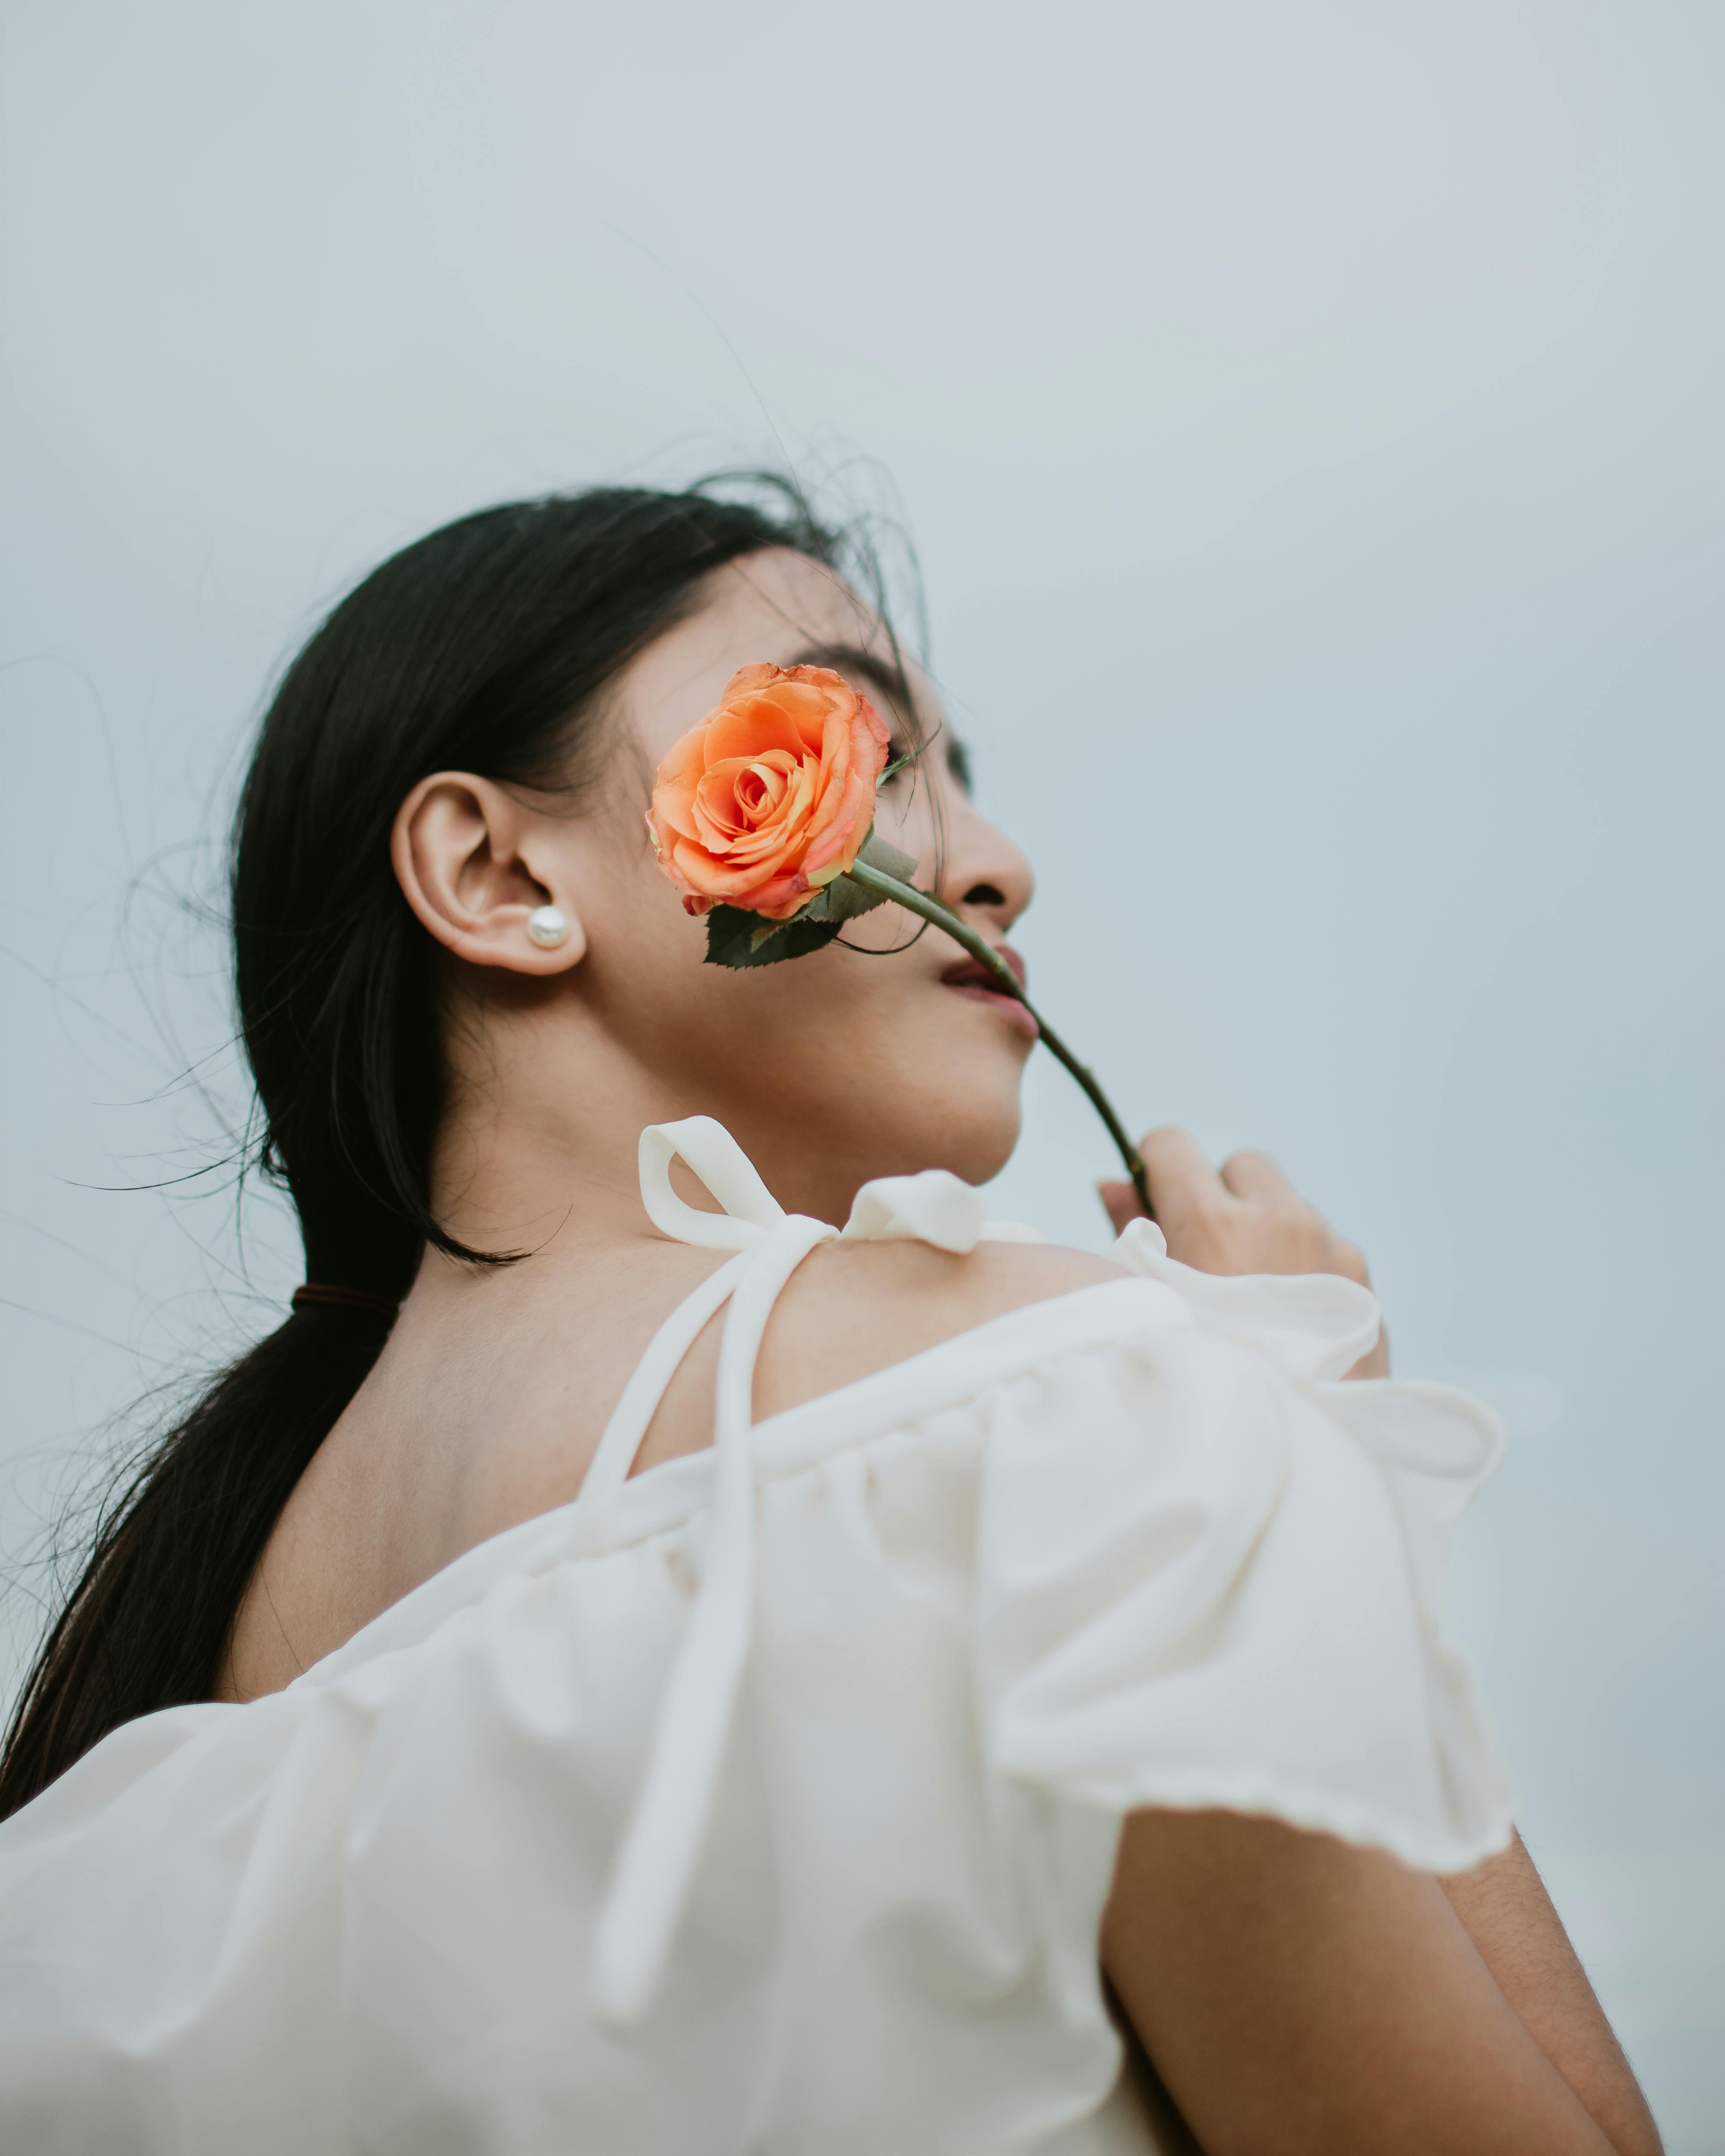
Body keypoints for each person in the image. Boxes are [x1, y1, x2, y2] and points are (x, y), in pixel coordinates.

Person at [0, 483, 1662, 2155]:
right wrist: (1324, 1441)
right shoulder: (1066, 1407)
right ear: (497, 873)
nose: (996, 865)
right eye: (867, 746)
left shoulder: (110, 1764)